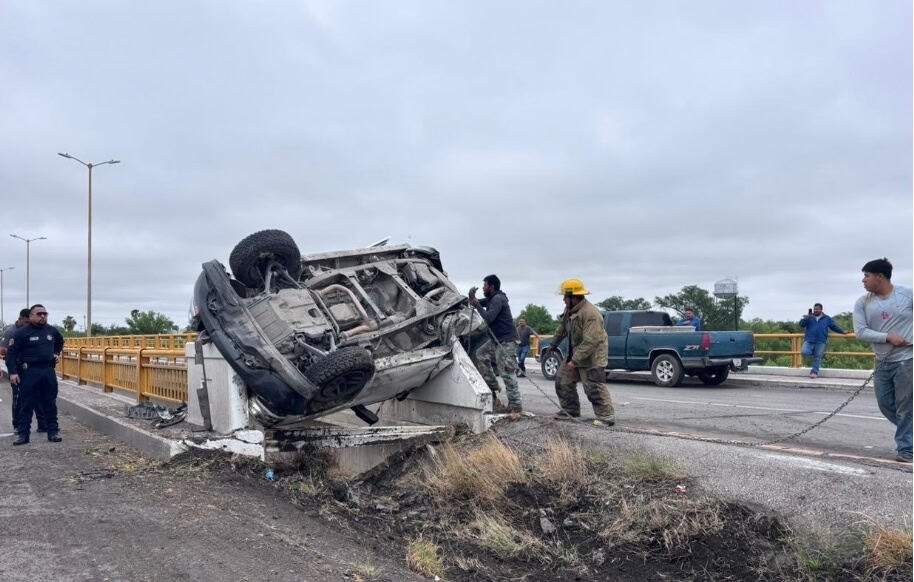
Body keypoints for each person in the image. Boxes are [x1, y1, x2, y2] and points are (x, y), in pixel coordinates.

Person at [853, 258, 912, 463]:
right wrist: (888, 337)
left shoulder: (907, 295)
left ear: (880, 277)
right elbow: (860, 332)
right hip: (882, 361)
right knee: (886, 404)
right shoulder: (863, 302)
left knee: (905, 406)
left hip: (907, 359)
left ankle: (906, 449)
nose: (863, 281)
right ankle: (910, 434)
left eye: (866, 276)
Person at [545, 278, 614, 424]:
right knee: (562, 381)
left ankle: (606, 417)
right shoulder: (569, 310)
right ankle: (570, 410)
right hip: (576, 353)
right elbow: (562, 329)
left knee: (593, 388)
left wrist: (575, 360)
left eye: (565, 296)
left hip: (593, 356)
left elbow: (591, 341)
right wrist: (553, 344)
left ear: (574, 297)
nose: (563, 299)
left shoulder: (591, 314)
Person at [6, 304, 64, 445]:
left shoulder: (51, 330)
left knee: (50, 403)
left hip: (48, 371)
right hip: (29, 372)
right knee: (26, 404)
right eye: (39, 314)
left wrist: (56, 353)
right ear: (31, 316)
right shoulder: (21, 333)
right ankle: (23, 435)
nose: (42, 316)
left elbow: (60, 342)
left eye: (45, 313)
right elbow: (11, 354)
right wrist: (13, 372)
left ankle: (53, 432)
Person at [468, 275, 522, 413]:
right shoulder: (492, 298)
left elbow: (489, 318)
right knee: (480, 355)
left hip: (506, 342)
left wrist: (476, 304)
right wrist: (470, 298)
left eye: (485, 285)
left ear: (492, 287)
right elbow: (478, 302)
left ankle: (515, 407)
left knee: (507, 372)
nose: (483, 288)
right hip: (496, 341)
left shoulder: (498, 299)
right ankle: (493, 386)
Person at [1, 308, 48, 436]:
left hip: (32, 368)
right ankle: (17, 425)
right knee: (19, 397)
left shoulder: (34, 330)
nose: (28, 325)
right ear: (21, 319)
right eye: (26, 322)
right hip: (17, 368)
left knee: (38, 396)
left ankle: (43, 425)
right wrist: (16, 350)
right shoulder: (11, 331)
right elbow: (2, 350)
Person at [799, 303, 847, 379]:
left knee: (817, 357)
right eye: (814, 309)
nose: (815, 310)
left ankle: (814, 372)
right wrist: (807, 317)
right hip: (809, 340)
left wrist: (842, 331)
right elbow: (801, 324)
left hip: (821, 341)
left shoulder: (827, 318)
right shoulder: (809, 317)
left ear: (821, 309)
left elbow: (834, 327)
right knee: (804, 351)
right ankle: (815, 352)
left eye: (817, 309)